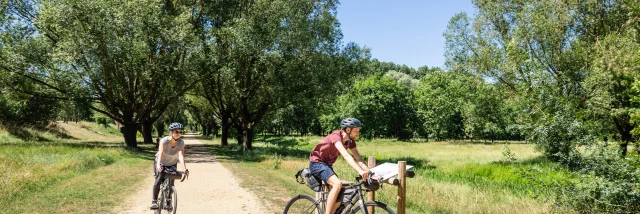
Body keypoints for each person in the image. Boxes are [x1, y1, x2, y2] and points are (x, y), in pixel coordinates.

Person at [309, 118, 373, 214]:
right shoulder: (336, 136)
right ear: (348, 130)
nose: (358, 134)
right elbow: (346, 155)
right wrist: (360, 171)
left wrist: (370, 172)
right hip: (317, 163)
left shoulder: (350, 142)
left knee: (341, 195)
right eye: (356, 131)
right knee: (337, 184)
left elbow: (359, 159)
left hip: (327, 166)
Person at [150, 122, 188, 209]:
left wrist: (185, 169)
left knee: (171, 182)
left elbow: (181, 155)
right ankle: (154, 201)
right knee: (159, 178)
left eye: (180, 132)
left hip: (172, 163)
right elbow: (161, 153)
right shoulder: (164, 141)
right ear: (171, 132)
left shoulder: (181, 142)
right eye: (176, 132)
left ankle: (168, 201)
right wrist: (159, 165)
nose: (179, 134)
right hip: (161, 161)